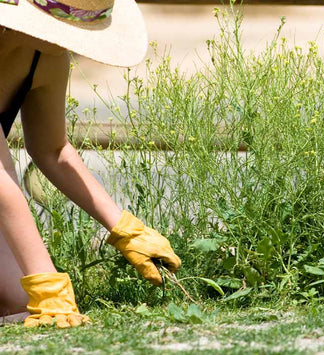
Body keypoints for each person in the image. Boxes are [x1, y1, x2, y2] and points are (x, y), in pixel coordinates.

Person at [0, 0, 181, 328]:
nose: (71, 42)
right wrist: (48, 285)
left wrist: (127, 230)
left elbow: (53, 150)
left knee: (18, 301)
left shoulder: (47, 57)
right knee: (33, 297)